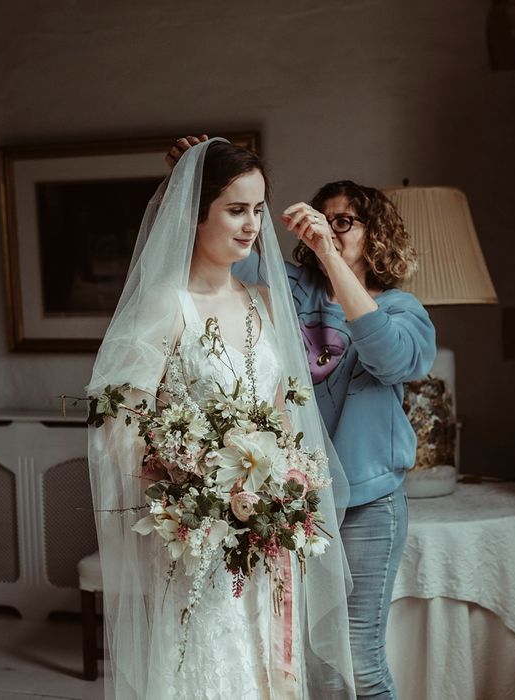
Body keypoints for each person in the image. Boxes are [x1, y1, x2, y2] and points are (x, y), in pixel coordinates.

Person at [87, 139, 357, 699]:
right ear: (195, 212)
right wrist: (195, 492)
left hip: (268, 541)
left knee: (264, 666)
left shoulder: (262, 301)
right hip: (201, 543)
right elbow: (118, 425)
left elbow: (283, 415)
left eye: (258, 210)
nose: (252, 225)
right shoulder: (165, 304)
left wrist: (288, 485)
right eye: (236, 209)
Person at [168, 138, 437, 700]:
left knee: (360, 661)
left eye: (346, 221)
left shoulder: (400, 309)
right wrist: (197, 178)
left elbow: (392, 361)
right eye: (323, 219)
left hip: (368, 506)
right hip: (299, 505)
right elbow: (225, 243)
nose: (331, 229)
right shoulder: (288, 290)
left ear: (374, 232)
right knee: (315, 662)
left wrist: (332, 257)